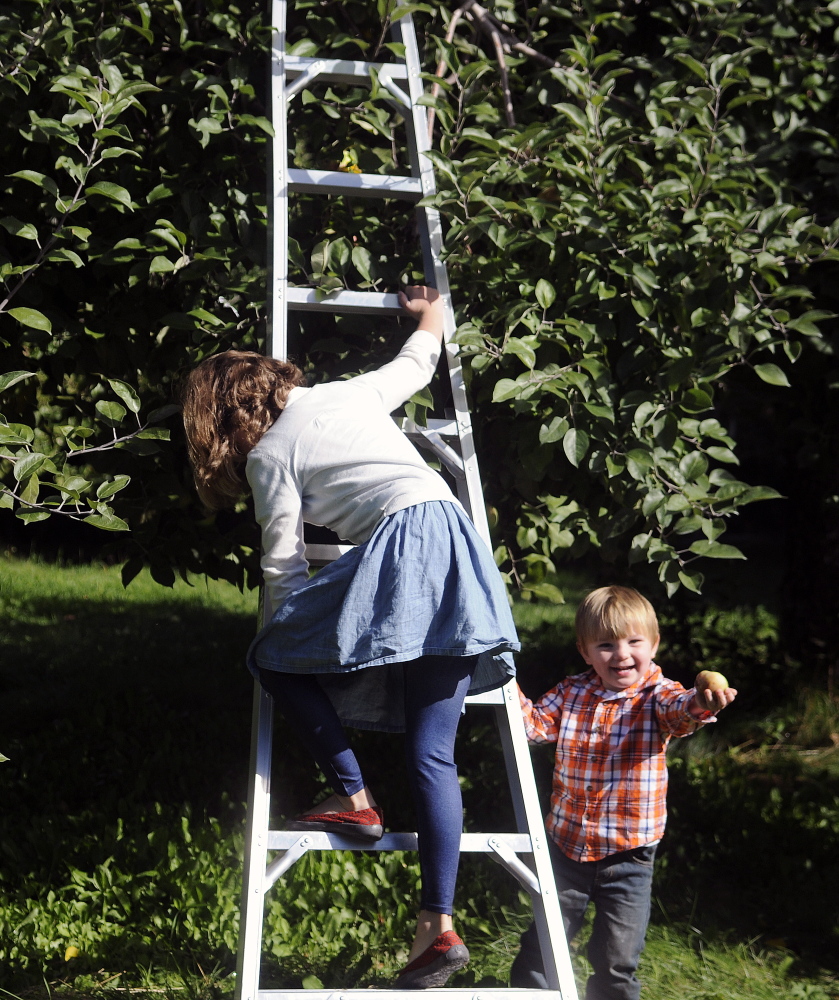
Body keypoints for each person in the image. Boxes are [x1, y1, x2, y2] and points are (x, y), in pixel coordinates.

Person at [180, 286, 519, 989]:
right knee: (434, 754)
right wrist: (428, 310)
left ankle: (353, 792)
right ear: (272, 383)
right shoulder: (348, 394)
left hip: (401, 544)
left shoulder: (270, 455)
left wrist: (289, 633)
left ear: (220, 418)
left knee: (271, 658)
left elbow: (283, 564)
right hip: (454, 538)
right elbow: (420, 360)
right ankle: (438, 925)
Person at [509, 585, 737, 1000]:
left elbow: (682, 711)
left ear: (653, 644)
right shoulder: (572, 692)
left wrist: (705, 702)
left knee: (617, 960)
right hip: (568, 847)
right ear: (585, 651)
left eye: (634, 642)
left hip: (629, 855)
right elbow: (533, 726)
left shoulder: (658, 693)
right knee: (545, 943)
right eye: (606, 645)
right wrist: (504, 681)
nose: (621, 654)